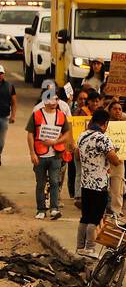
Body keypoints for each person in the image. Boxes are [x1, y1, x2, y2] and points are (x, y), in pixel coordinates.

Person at [74, 108, 121, 256]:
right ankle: (90, 248)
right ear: (105, 123)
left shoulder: (82, 135)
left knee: (85, 216)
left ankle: (80, 247)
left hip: (85, 182)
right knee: (95, 217)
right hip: (99, 184)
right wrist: (118, 159)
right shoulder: (103, 138)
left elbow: (78, 155)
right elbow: (114, 159)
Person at [26, 91, 71, 220]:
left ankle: (54, 209)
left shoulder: (62, 116)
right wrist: (32, 153)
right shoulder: (36, 115)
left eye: (56, 99)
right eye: (51, 100)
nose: (54, 102)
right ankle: (41, 209)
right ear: (45, 101)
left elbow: (67, 134)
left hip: (56, 154)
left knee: (54, 182)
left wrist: (56, 142)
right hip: (40, 155)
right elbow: (30, 134)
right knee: (40, 183)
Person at [0, 66, 16, 167]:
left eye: (1, 73)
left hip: (4, 117)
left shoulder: (9, 86)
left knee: (1, 141)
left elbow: (14, 102)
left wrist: (13, 116)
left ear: (3, 74)